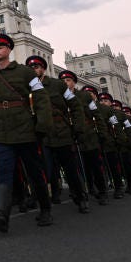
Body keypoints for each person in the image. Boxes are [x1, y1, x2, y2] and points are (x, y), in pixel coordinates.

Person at [0, 33, 54, 233]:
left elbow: (40, 98)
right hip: (0, 130)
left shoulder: (25, 73)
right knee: (4, 171)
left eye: (0, 47)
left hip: (24, 128)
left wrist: (42, 126)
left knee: (33, 171)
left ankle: (45, 208)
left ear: (9, 50)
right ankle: (2, 215)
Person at [30, 63, 88, 214]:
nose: (34, 70)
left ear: (43, 68)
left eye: (36, 66)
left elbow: (75, 106)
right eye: (30, 67)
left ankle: (80, 197)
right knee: (44, 171)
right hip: (42, 135)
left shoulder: (58, 85)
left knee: (70, 170)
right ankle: (44, 204)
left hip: (61, 133)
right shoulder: (27, 87)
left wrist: (78, 129)